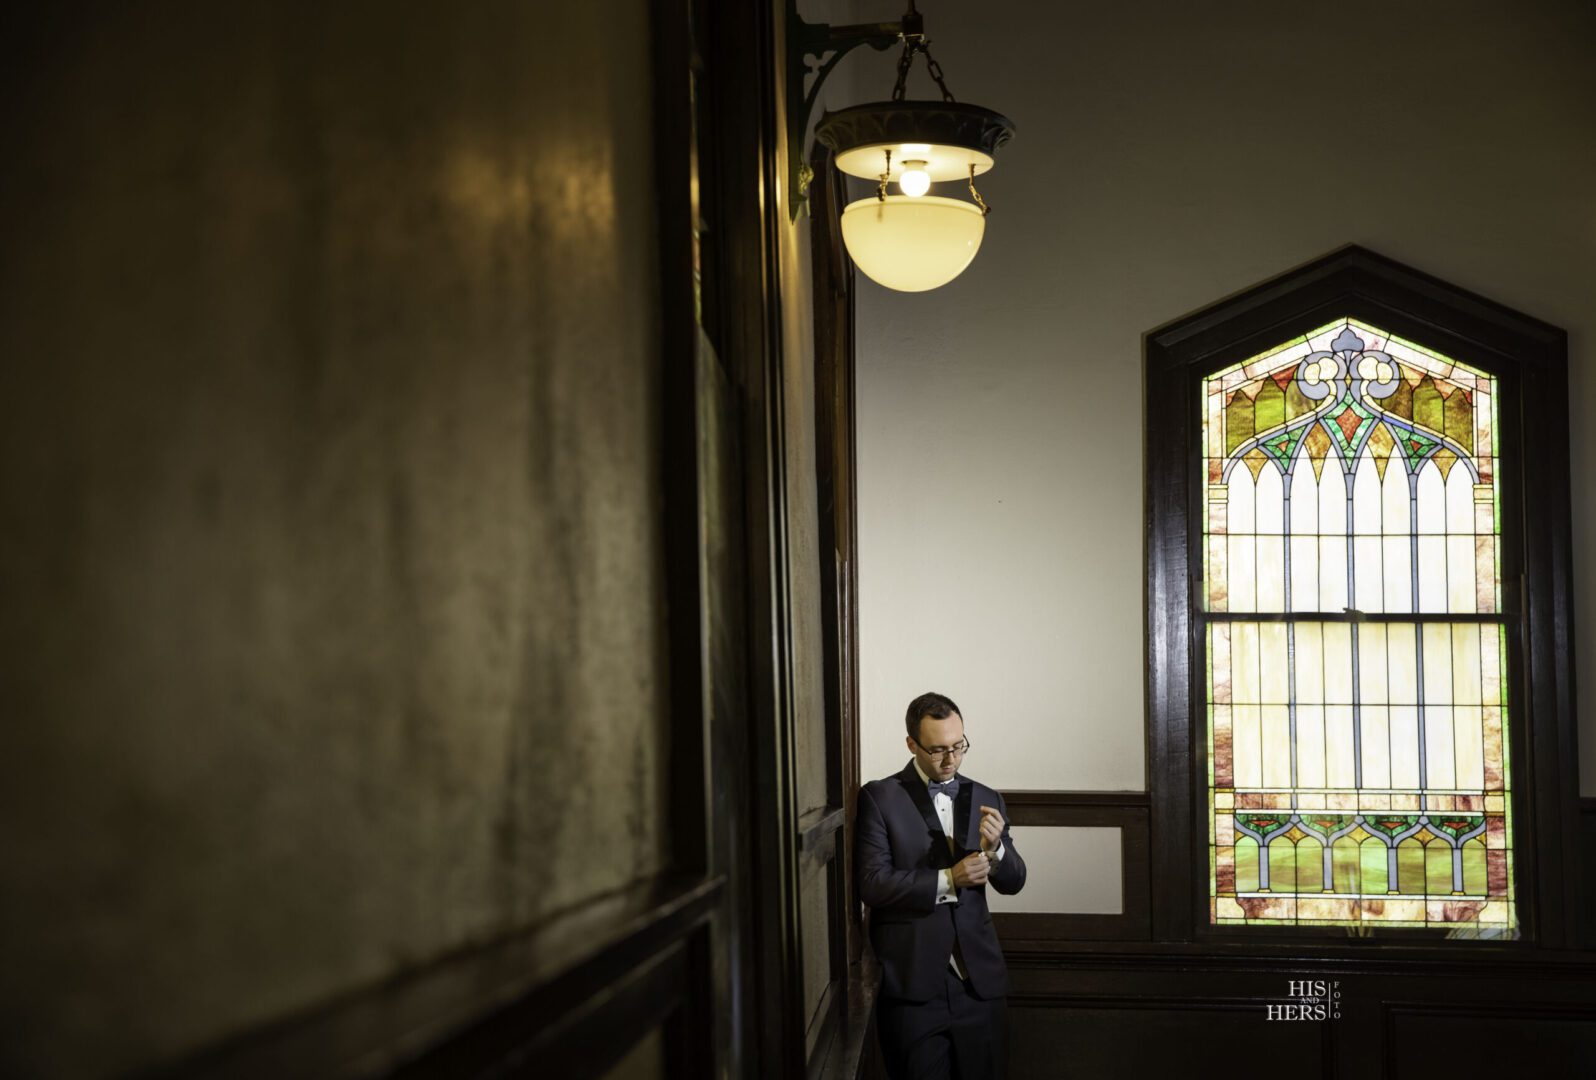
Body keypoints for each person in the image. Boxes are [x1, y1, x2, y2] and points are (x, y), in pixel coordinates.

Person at [856, 691, 1026, 1080]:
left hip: (980, 987)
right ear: (911, 744)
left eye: (959, 746)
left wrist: (997, 849)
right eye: (937, 750)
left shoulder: (987, 796)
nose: (951, 760)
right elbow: (872, 883)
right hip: (913, 990)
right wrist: (949, 879)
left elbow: (1014, 882)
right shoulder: (879, 797)